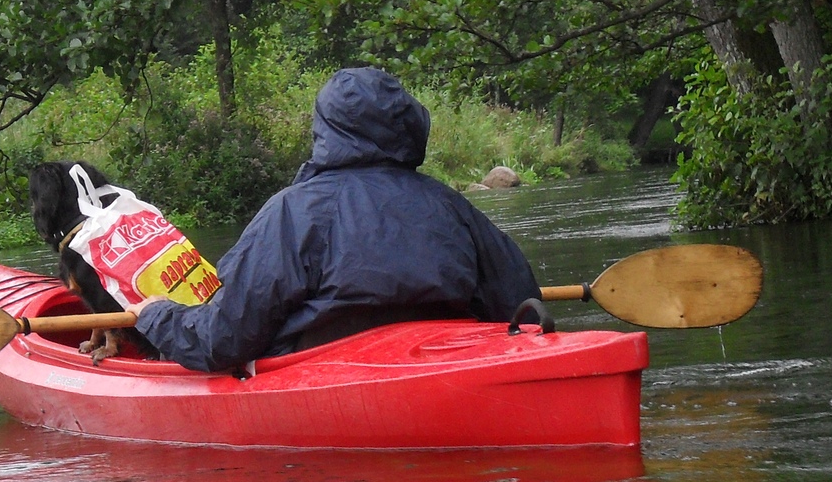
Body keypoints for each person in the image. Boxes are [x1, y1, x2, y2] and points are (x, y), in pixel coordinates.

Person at [134, 67, 542, 372]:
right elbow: (522, 307)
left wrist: (157, 315)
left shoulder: (292, 212)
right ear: (410, 124)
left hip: (328, 377)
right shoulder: (451, 206)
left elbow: (223, 339)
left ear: (326, 130)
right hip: (443, 370)